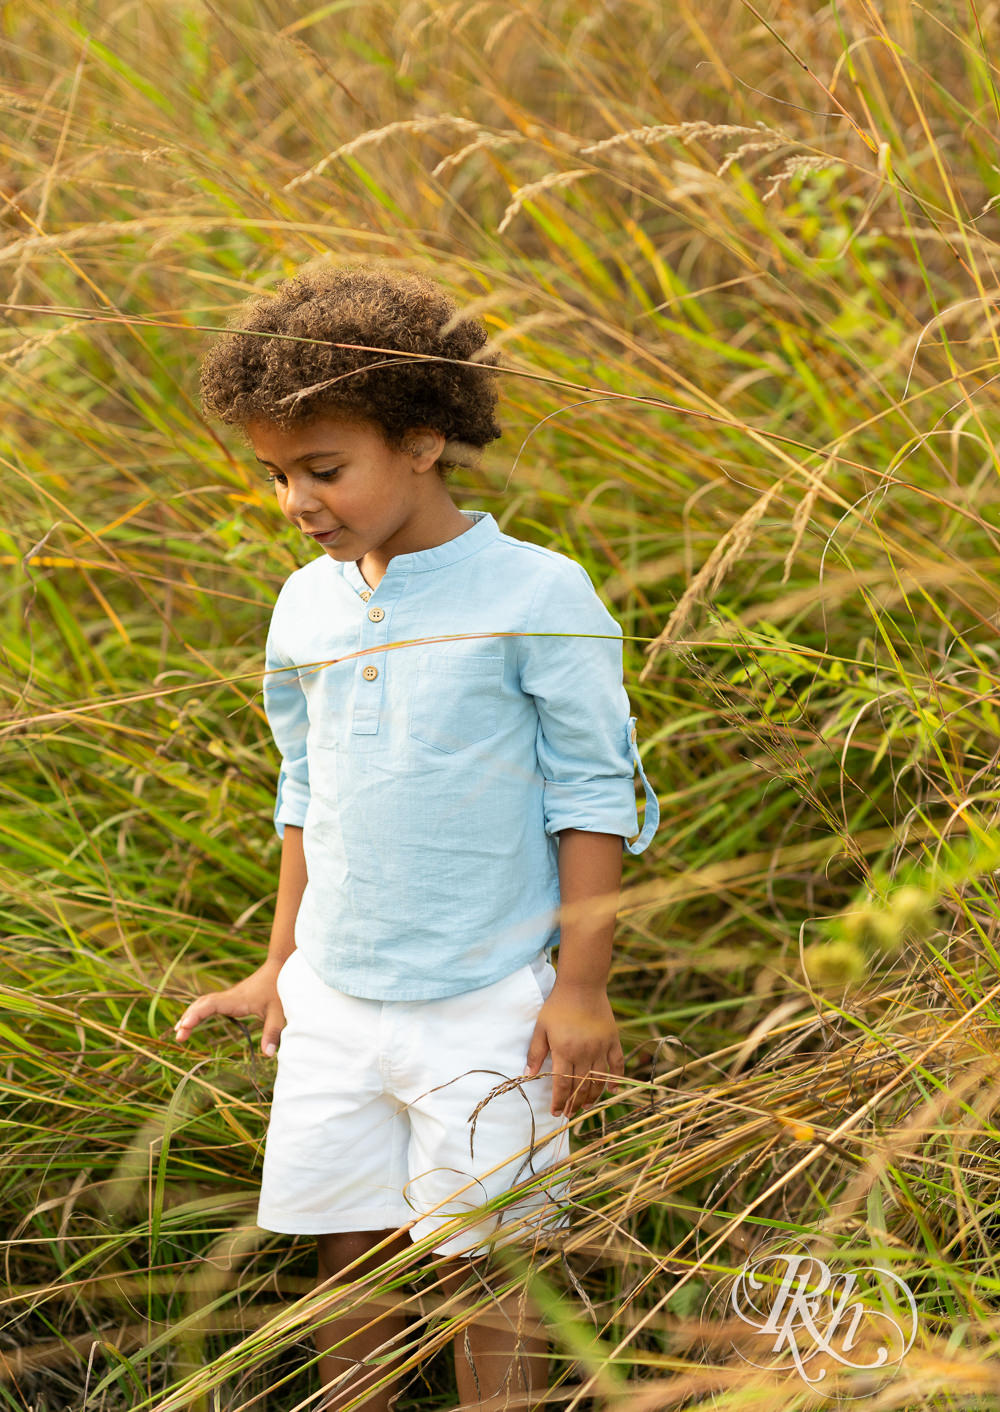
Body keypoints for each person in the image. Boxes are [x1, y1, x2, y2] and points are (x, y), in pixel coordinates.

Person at [172, 259, 659, 1411]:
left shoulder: (538, 593)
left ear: (425, 439)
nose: (297, 501)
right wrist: (279, 964)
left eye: (325, 470)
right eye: (277, 475)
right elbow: (308, 787)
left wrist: (579, 990)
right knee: (350, 1257)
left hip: (487, 1001)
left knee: (486, 1263)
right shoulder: (305, 603)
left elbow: (593, 797)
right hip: (336, 997)